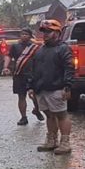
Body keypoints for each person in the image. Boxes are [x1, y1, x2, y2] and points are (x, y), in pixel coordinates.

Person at [27, 19, 76, 155]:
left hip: (57, 88)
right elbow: (34, 69)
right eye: (44, 31)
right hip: (42, 88)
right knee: (49, 115)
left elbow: (69, 68)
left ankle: (65, 142)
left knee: (61, 115)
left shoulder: (63, 48)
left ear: (57, 32)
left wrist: (68, 85)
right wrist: (31, 86)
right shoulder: (40, 50)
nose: (46, 34)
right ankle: (51, 140)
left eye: (49, 31)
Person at [2, 27, 43, 125]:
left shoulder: (35, 47)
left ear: (30, 36)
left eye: (26, 34)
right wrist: (5, 67)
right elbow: (8, 56)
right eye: (22, 34)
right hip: (19, 74)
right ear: (20, 36)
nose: (24, 36)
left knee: (35, 96)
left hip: (32, 75)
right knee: (21, 96)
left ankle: (37, 110)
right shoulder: (15, 47)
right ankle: (23, 117)